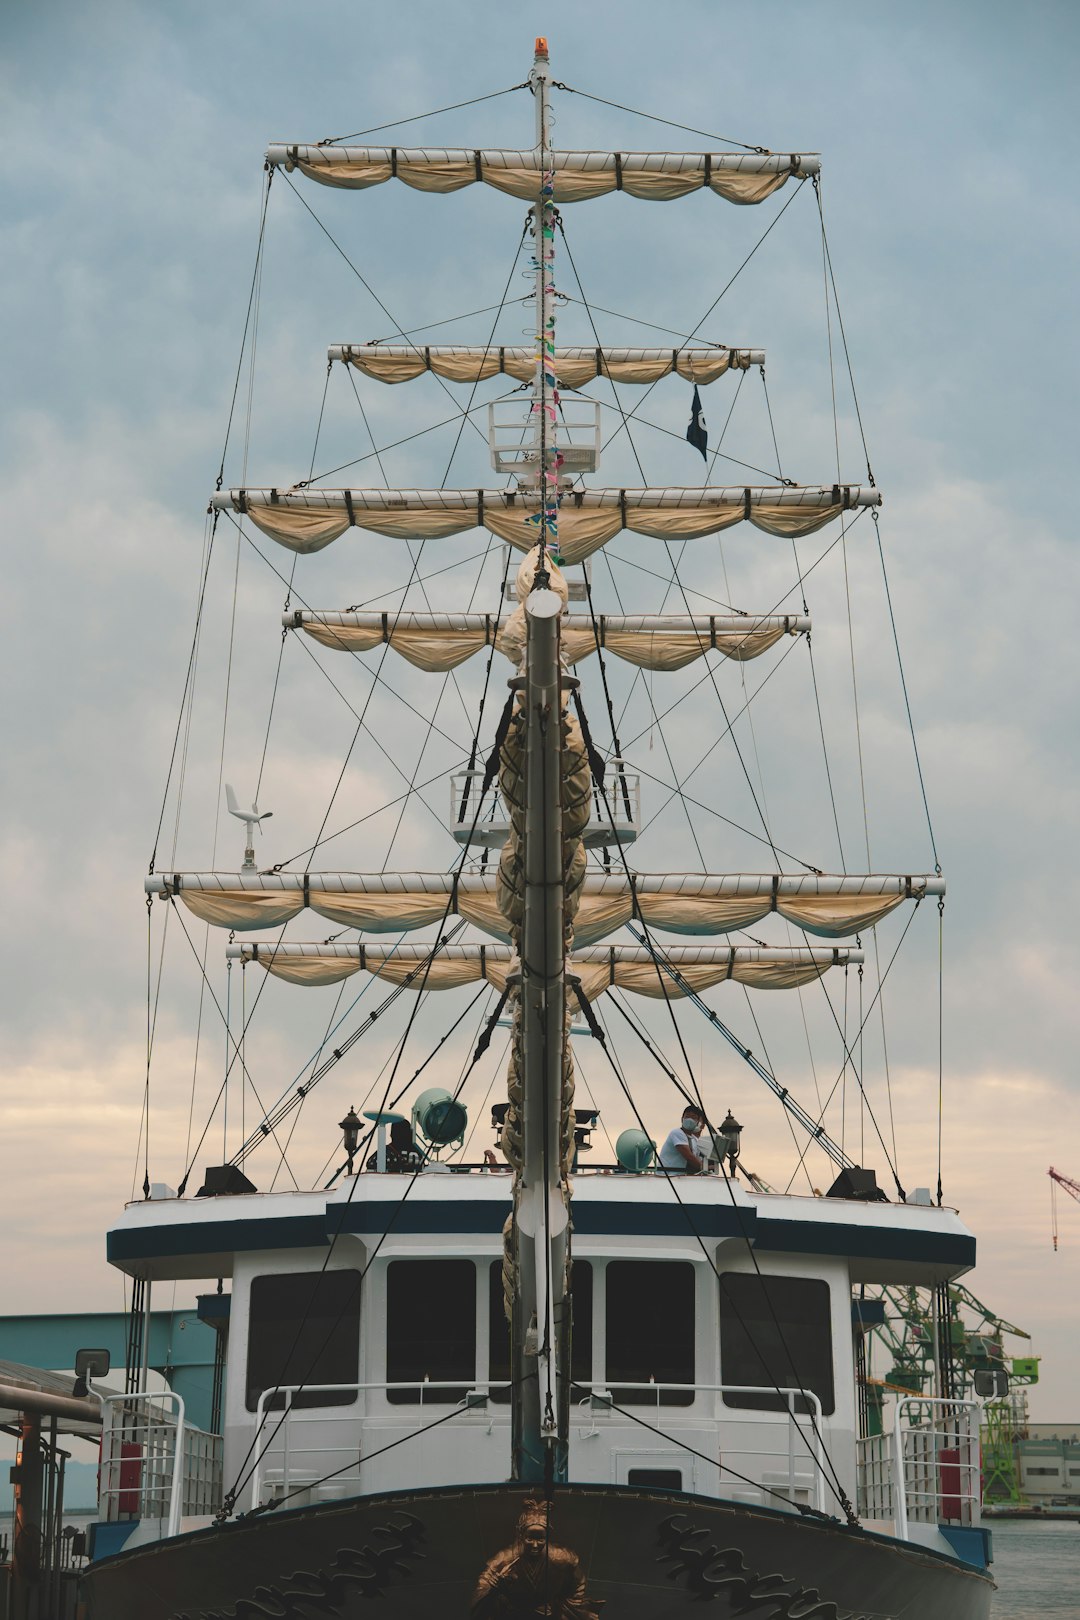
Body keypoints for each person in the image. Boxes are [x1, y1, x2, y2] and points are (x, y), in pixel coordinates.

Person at [658, 1104, 707, 1173]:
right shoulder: (677, 1133)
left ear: (698, 1122)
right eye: (687, 1117)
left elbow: (697, 1159)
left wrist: (708, 1166)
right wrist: (705, 1168)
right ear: (682, 1119)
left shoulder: (694, 1140)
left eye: (693, 1117)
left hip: (680, 1177)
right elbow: (689, 1157)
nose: (690, 1119)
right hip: (667, 1176)